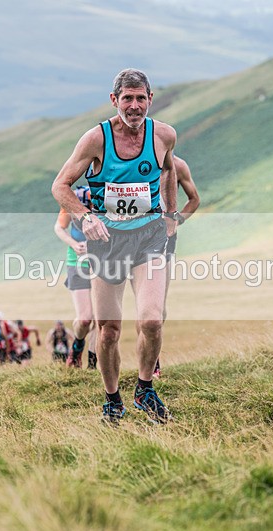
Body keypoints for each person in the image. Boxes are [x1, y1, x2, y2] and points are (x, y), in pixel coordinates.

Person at [52, 68, 179, 424]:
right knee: (108, 330)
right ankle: (112, 399)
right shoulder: (96, 139)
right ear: (114, 100)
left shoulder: (164, 135)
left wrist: (170, 214)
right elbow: (60, 186)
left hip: (149, 236)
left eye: (141, 99)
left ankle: (144, 390)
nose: (135, 106)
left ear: (150, 99)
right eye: (128, 99)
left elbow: (168, 170)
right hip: (106, 241)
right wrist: (85, 217)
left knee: (152, 320)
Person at [153, 154, 200, 378]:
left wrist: (177, 219)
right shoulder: (135, 158)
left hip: (166, 239)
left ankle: (153, 362)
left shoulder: (179, 165)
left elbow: (194, 199)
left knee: (158, 308)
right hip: (132, 237)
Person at [54, 183, 98, 369]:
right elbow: (59, 227)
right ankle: (78, 345)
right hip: (77, 262)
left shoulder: (104, 199)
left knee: (101, 319)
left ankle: (93, 364)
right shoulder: (74, 198)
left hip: (102, 263)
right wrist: (73, 243)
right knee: (85, 319)